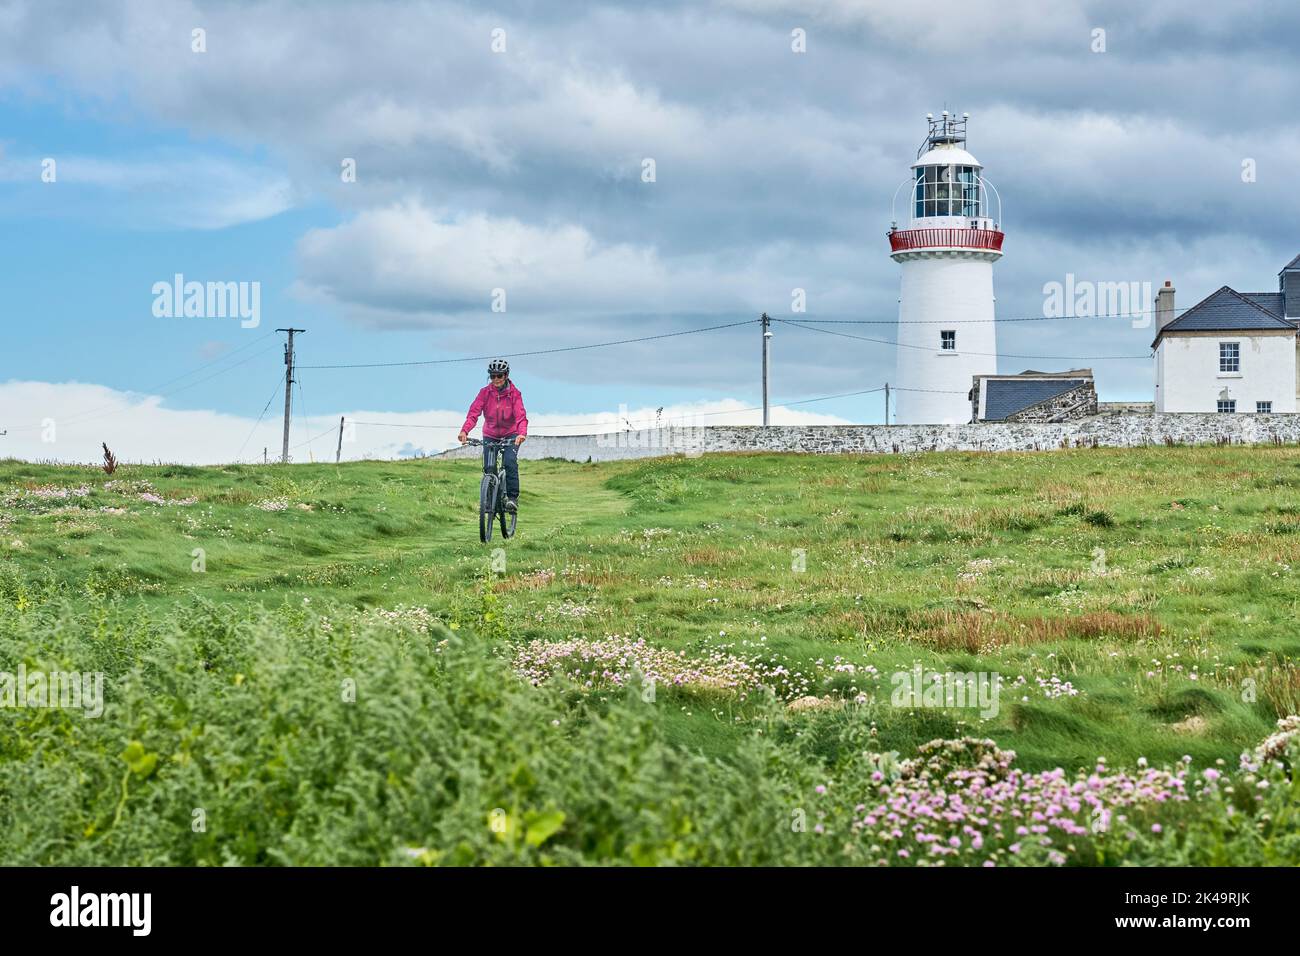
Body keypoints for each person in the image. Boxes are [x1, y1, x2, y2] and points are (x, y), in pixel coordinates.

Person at [458, 358, 527, 512]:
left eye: (499, 376)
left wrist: (521, 434)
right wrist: (465, 431)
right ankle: (489, 501)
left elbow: (521, 417)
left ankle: (512, 499)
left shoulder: (514, 394)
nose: (496, 379)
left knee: (509, 462)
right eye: (493, 376)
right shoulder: (484, 393)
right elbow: (473, 414)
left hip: (511, 434)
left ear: (506, 375)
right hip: (490, 434)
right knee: (489, 468)